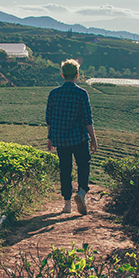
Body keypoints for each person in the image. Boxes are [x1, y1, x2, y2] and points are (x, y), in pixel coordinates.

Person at [46, 59, 98, 215]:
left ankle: (67, 203)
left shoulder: (54, 93)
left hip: (60, 139)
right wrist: (94, 139)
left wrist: (50, 138)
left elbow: (49, 118)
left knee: (65, 169)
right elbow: (87, 119)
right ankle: (82, 192)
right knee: (83, 164)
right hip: (79, 138)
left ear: (62, 75)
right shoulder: (82, 93)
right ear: (77, 75)